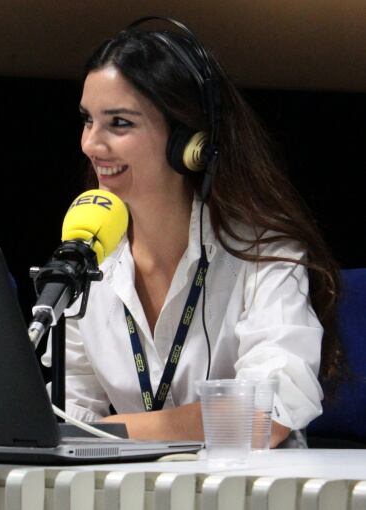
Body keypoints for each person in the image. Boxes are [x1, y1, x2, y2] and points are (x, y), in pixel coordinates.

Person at [43, 17, 341, 447]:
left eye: (119, 123)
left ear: (189, 140)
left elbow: (267, 413)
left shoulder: (264, 253)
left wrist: (109, 432)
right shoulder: (89, 256)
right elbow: (65, 413)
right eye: (88, 120)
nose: (92, 143)